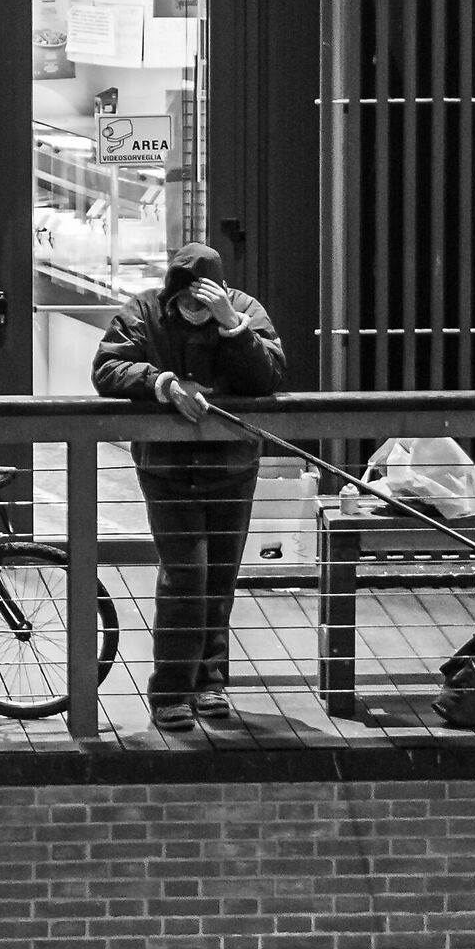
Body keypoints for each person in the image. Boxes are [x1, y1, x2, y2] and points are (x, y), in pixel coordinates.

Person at [93, 242, 286, 732]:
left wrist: (233, 327)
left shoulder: (243, 311)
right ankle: (172, 691)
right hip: (167, 468)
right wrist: (160, 383)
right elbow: (107, 368)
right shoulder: (143, 312)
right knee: (184, 577)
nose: (195, 312)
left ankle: (210, 681)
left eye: (205, 303)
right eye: (187, 304)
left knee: (219, 579)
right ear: (172, 295)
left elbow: (268, 377)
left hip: (232, 466)